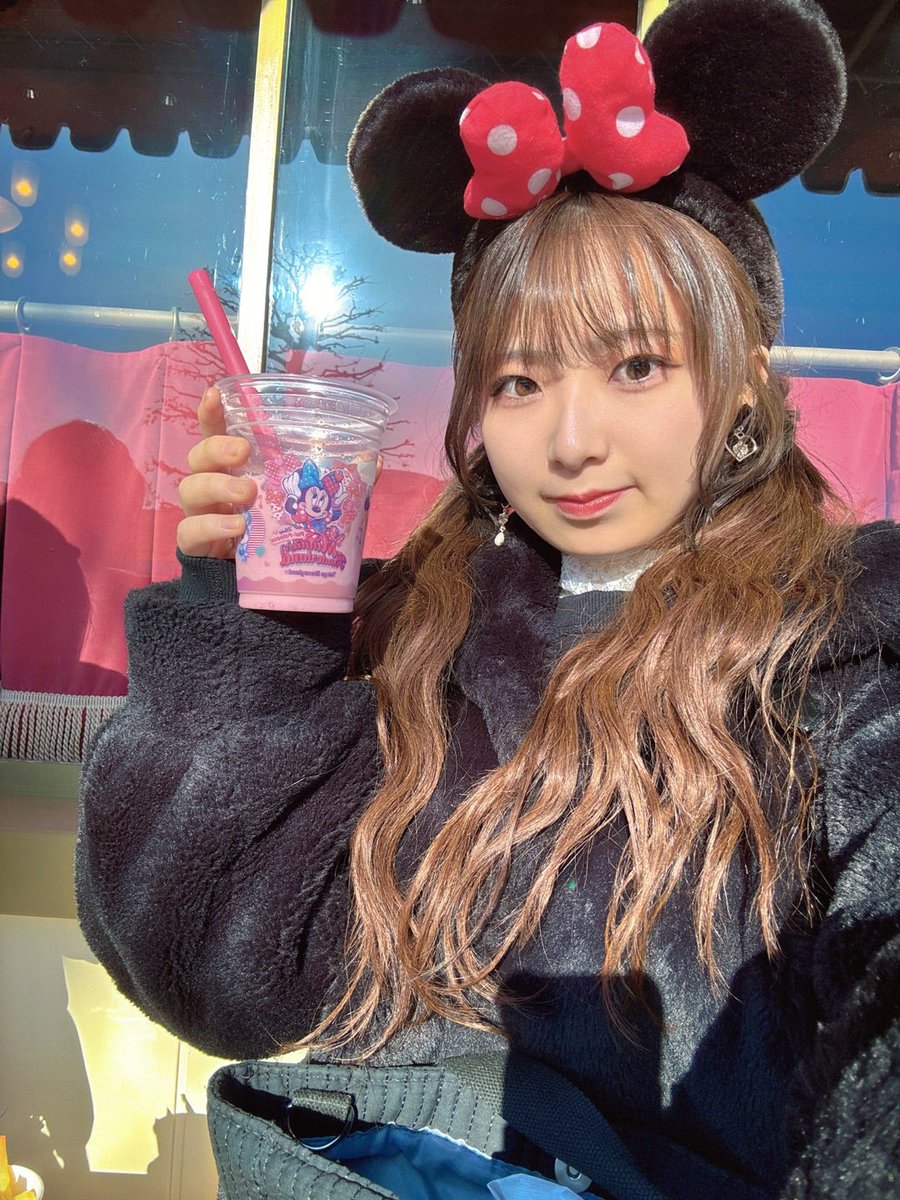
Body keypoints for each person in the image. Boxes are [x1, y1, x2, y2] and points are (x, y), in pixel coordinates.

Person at [75, 3, 898, 1197]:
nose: (570, 439)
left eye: (636, 364)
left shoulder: (841, 646)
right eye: (518, 381)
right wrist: (247, 631)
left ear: (742, 382)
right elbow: (211, 969)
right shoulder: (434, 641)